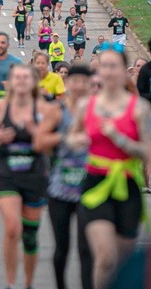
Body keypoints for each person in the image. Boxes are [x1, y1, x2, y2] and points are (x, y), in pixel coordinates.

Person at [69, 49, 151, 288]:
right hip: (95, 183)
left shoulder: (139, 108)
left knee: (123, 262)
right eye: (104, 66)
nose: (108, 71)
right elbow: (70, 138)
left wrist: (121, 140)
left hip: (126, 184)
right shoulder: (87, 105)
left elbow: (150, 151)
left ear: (124, 71)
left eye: (113, 66)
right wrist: (79, 140)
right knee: (105, 257)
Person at [0, 63, 60, 289]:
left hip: (35, 175)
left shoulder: (45, 110)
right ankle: (11, 283)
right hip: (7, 174)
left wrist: (36, 132)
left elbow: (55, 145)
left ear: (34, 82)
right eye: (17, 78)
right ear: (11, 82)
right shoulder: (0, 108)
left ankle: (28, 283)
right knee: (13, 228)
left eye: (26, 78)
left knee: (30, 235)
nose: (22, 82)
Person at [46, 63, 95, 289]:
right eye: (75, 81)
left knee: (87, 248)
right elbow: (39, 141)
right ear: (67, 84)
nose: (80, 86)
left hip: (91, 187)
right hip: (60, 187)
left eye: (85, 82)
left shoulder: (97, 111)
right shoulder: (57, 111)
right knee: (62, 247)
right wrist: (64, 139)